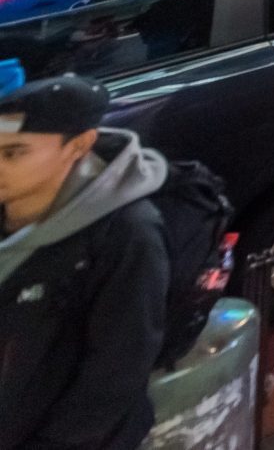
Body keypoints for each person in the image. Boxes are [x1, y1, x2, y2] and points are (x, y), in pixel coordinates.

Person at [0, 74, 169, 450]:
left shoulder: (128, 234)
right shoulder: (13, 206)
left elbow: (116, 370)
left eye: (13, 153)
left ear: (78, 146)